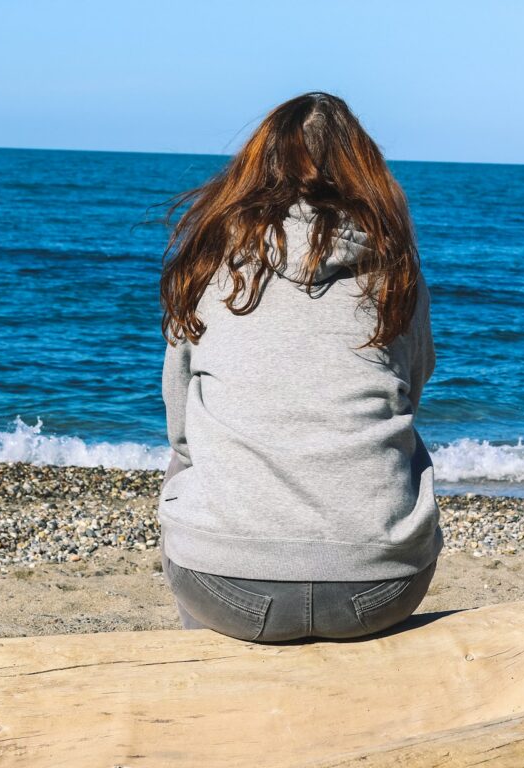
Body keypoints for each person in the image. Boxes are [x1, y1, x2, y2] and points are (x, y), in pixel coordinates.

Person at [157, 91, 442, 643]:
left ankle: (203, 657)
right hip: (379, 587)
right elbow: (412, 389)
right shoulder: (397, 275)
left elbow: (182, 430)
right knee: (401, 437)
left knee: (185, 460)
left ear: (254, 172)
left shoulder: (210, 265)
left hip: (223, 583)